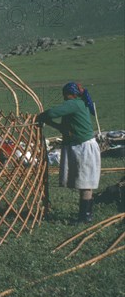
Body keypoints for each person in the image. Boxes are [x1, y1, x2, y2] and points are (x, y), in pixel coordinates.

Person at [37, 82, 101, 224]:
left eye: (65, 95)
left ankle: (85, 217)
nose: (64, 98)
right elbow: (64, 128)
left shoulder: (74, 104)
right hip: (81, 146)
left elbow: (53, 112)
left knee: (85, 183)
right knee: (85, 182)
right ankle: (86, 215)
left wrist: (41, 116)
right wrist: (48, 121)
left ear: (69, 94)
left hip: (84, 147)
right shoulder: (78, 104)